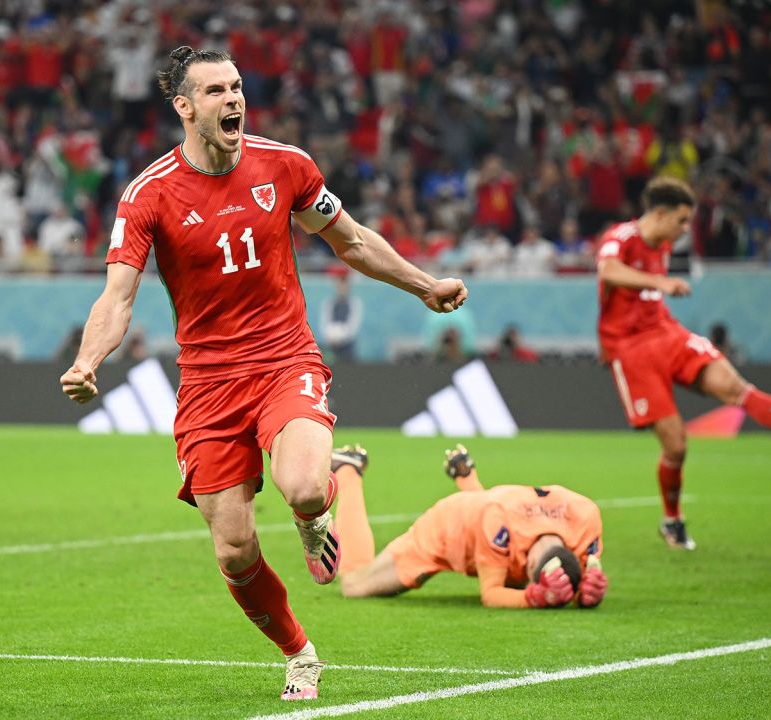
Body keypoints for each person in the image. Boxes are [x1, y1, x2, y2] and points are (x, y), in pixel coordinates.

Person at [59, 46, 468, 702]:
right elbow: (118, 297)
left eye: (238, 87)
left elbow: (352, 241)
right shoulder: (149, 196)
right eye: (217, 91)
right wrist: (87, 360)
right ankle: (298, 651)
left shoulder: (286, 165)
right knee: (233, 549)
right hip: (208, 385)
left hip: (284, 359)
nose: (234, 100)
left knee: (305, 484)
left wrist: (423, 286)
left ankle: (315, 517)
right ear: (184, 107)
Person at [596, 177, 771, 551]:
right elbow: (608, 270)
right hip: (630, 348)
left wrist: (659, 289)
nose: (685, 229)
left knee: (732, 385)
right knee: (676, 446)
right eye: (682, 220)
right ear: (660, 213)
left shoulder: (663, 243)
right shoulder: (623, 236)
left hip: (667, 332)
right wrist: (661, 284)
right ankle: (672, 522)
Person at [332, 444, 608, 610]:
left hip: (493, 509)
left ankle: (467, 478)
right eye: (527, 568)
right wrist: (532, 597)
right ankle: (348, 470)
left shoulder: (587, 518)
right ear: (532, 558)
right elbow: (491, 594)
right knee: (354, 584)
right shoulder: (498, 525)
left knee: (491, 513)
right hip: (448, 528)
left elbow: (581, 575)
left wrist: (585, 593)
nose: (523, 573)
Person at [319, 268, 362, 362]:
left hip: (347, 348)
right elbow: (324, 323)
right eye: (340, 283)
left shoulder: (354, 303)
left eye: (344, 283)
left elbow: (353, 327)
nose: (342, 287)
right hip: (330, 345)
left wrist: (340, 337)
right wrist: (331, 336)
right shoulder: (329, 303)